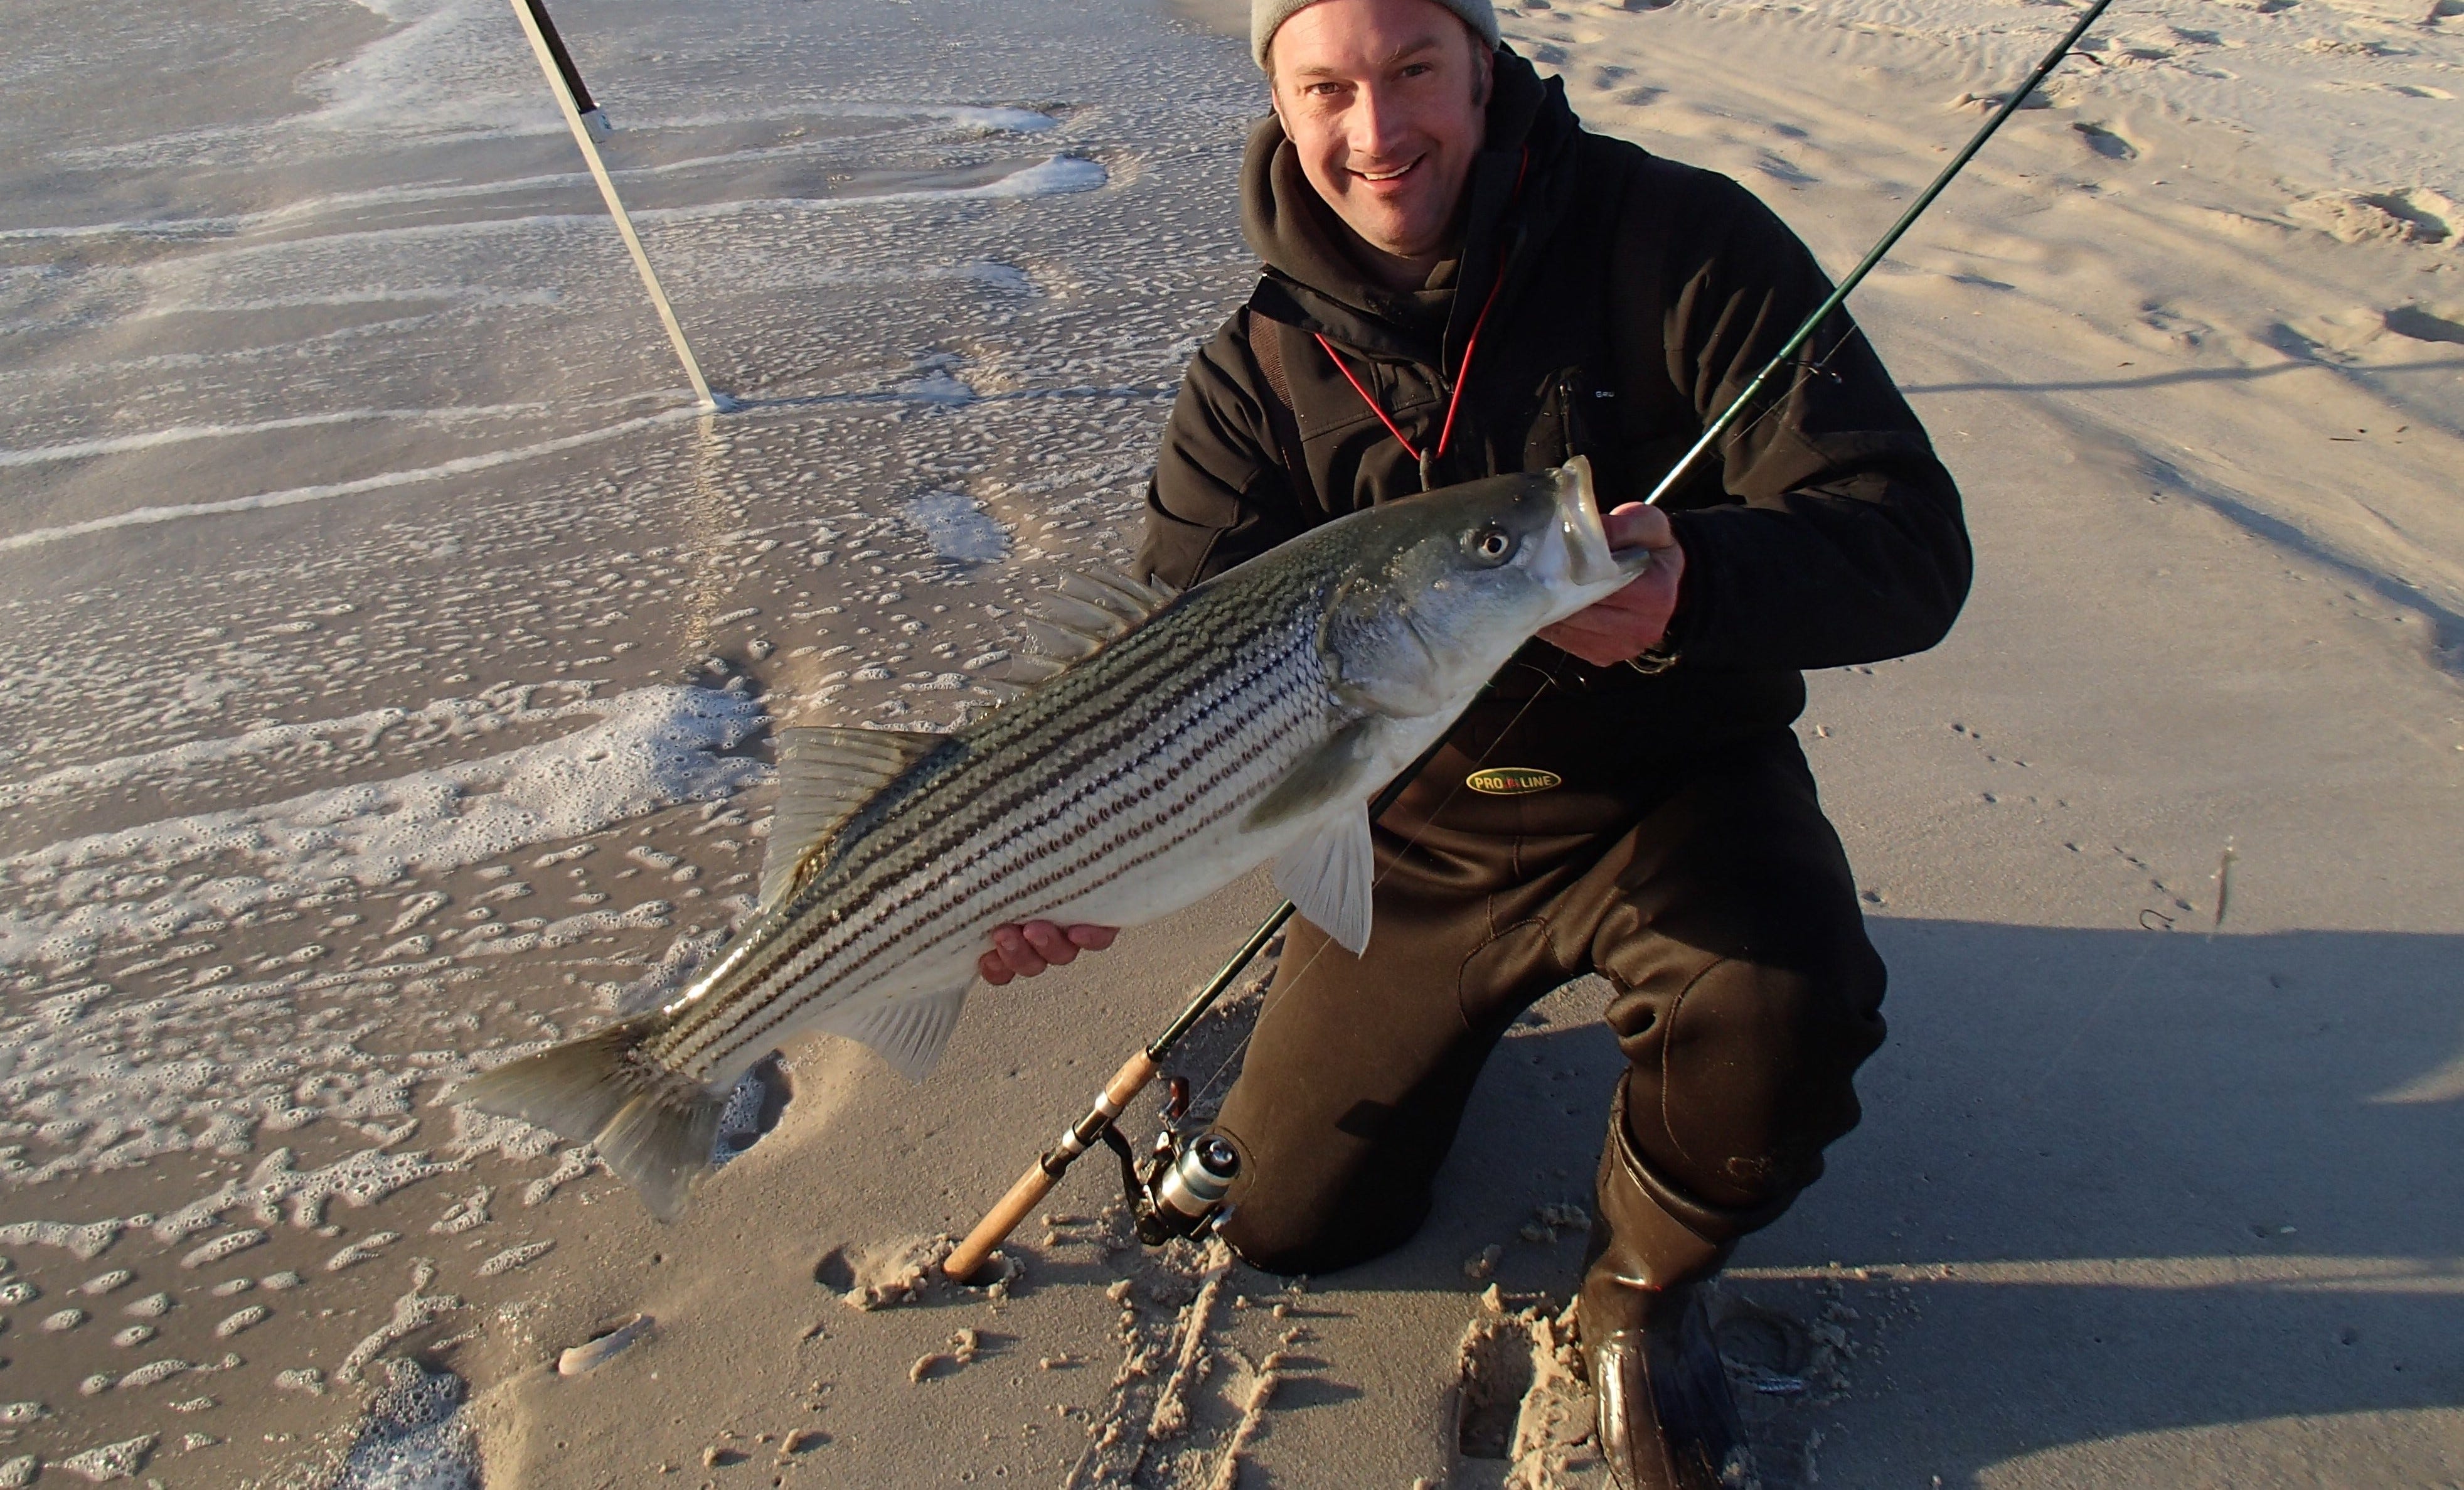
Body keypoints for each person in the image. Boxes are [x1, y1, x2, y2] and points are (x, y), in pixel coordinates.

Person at [980, 0, 1970, 1482]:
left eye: (1413, 71)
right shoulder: (1250, 379)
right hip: (1418, 837)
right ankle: (1327, 1031)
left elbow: (1909, 548)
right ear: (1275, 95)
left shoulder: (1683, 243)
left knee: (1781, 1017)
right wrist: (1061, 865)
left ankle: (1642, 1289)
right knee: (1297, 1224)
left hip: (1677, 790)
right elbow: (1159, 690)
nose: (1376, 133)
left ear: (1483, 60)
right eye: (1326, 87)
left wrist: (1699, 584)